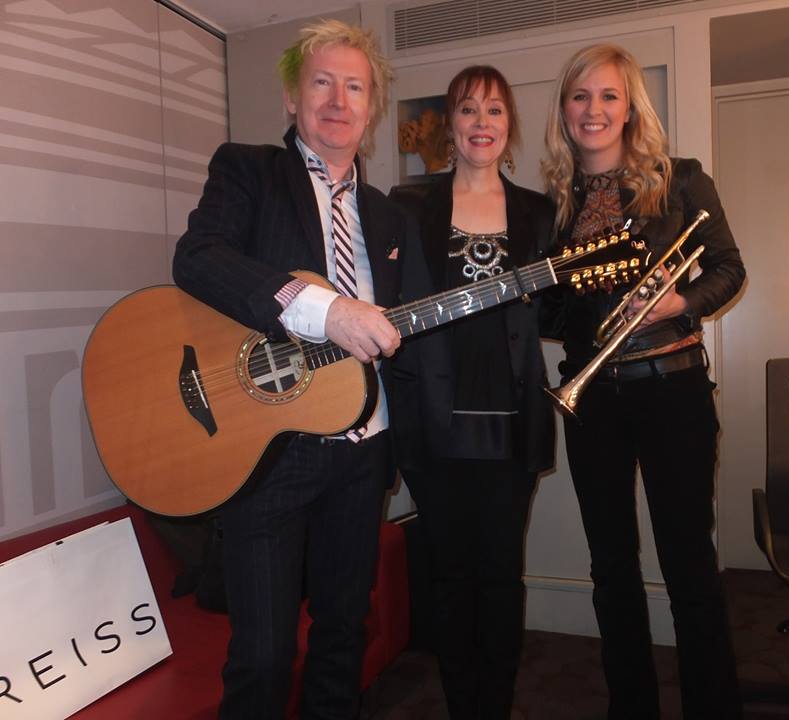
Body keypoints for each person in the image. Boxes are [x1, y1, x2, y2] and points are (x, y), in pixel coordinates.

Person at [172, 20, 404, 720]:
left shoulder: (386, 215)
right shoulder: (248, 170)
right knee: (264, 657)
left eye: (354, 87)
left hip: (362, 450)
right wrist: (324, 310)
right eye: (321, 82)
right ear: (291, 98)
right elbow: (198, 259)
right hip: (270, 453)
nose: (338, 100)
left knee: (343, 637)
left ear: (371, 107)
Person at [540, 43, 746, 719]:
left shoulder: (679, 179)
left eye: (608, 95)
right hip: (593, 398)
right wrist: (538, 294)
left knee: (688, 562)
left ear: (630, 108)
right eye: (579, 96)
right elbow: (554, 316)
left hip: (672, 388)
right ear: (565, 110)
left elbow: (729, 268)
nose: (593, 109)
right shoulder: (556, 206)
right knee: (610, 566)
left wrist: (679, 301)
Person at [388, 66, 555, 719]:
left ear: (509, 124)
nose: (481, 123)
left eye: (494, 110)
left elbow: (556, 316)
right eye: (467, 110)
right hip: (433, 423)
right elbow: (381, 308)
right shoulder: (407, 205)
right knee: (450, 578)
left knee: (501, 577)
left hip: (510, 425)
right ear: (450, 125)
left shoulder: (539, 212)